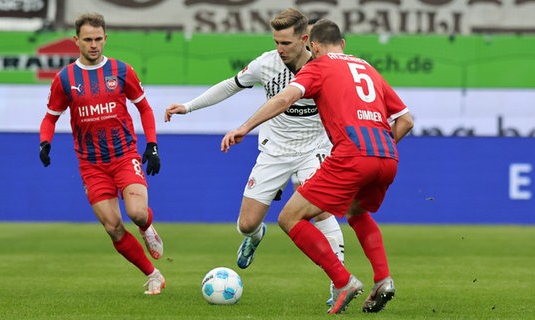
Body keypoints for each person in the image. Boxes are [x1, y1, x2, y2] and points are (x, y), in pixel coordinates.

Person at [220, 19, 414, 314]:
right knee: (356, 211)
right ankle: (383, 280)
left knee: (289, 218)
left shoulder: (318, 65)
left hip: (351, 155)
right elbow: (406, 120)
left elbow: (285, 98)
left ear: (314, 45)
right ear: (343, 43)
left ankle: (343, 281)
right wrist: (381, 149)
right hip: (387, 156)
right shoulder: (367, 68)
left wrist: (245, 127)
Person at [164, 8, 344, 303]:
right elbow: (230, 85)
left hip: (314, 149)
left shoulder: (325, 66)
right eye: (276, 42)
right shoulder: (267, 64)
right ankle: (256, 236)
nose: (279, 49)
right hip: (274, 150)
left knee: (320, 210)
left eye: (286, 43)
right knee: (246, 224)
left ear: (305, 39)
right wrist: (188, 107)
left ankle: (339, 283)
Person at [38, 12, 166, 295]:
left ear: (105, 38)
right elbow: (50, 117)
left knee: (136, 213)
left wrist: (152, 144)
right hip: (91, 164)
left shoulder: (122, 70)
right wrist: (44, 142)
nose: (94, 45)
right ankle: (153, 274)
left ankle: (147, 227)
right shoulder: (65, 78)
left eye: (98, 39)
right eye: (88, 40)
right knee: (113, 227)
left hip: (123, 155)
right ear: (76, 41)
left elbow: (144, 107)